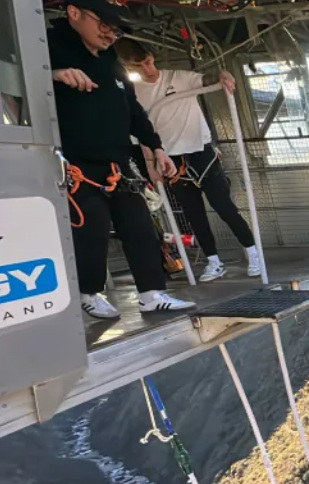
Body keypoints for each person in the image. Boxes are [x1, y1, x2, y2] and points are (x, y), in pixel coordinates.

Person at [48, 0, 195, 319]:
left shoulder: (111, 61)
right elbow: (17, 82)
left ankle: (152, 293)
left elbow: (133, 110)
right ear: (74, 12)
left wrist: (156, 147)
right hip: (76, 162)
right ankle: (89, 292)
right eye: (104, 25)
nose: (109, 34)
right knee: (92, 230)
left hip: (118, 161)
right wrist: (53, 75)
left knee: (140, 227)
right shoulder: (47, 48)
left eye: (115, 30)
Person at [114, 39, 263, 282]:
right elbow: (142, 131)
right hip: (169, 158)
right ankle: (213, 261)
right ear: (128, 67)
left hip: (200, 152)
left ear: (152, 56)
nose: (146, 69)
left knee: (224, 206)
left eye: (147, 62)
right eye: (137, 66)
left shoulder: (179, 77)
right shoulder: (134, 92)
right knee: (193, 214)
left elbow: (209, 79)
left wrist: (223, 74)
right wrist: (151, 164)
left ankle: (253, 252)